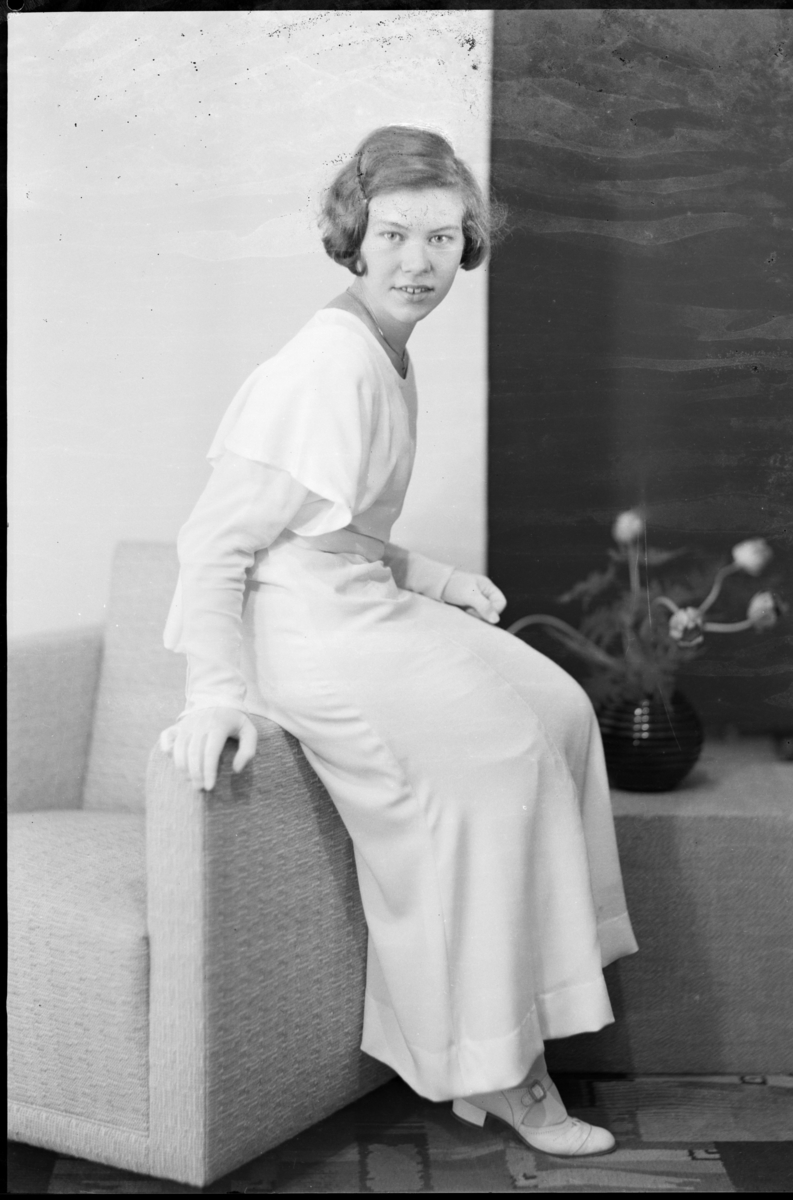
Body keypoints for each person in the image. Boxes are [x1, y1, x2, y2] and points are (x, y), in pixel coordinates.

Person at [160, 125, 638, 1158]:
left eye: (441, 237)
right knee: (500, 764)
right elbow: (216, 543)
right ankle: (501, 1070)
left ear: (466, 241)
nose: (418, 262)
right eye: (393, 235)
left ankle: (551, 989)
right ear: (354, 236)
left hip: (360, 595)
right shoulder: (322, 366)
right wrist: (214, 691)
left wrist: (434, 577)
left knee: (560, 710)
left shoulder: (386, 347)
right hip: (312, 631)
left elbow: (339, 523)